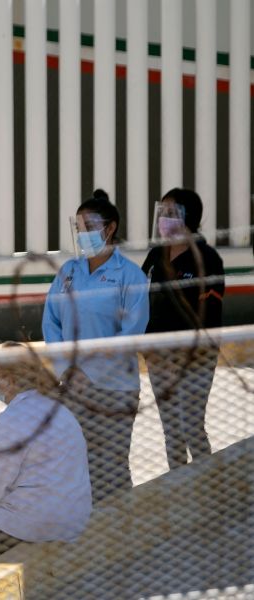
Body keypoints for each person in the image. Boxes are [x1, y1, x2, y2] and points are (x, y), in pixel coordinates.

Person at [0, 343, 92, 584]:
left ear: (9, 380)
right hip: (72, 517)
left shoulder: (11, 418)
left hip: (36, 520)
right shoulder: (60, 411)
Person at [42, 189, 149, 502]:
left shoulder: (130, 276)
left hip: (114, 390)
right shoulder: (69, 272)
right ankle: (85, 537)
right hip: (73, 387)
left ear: (110, 227)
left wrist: (90, 374)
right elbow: (51, 323)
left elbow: (131, 333)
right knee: (76, 466)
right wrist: (67, 370)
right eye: (79, 227)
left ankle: (118, 539)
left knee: (112, 470)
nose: (83, 233)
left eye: (89, 225)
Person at [142, 188, 224, 470]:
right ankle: (178, 487)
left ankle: (209, 486)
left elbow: (208, 317)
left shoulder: (207, 259)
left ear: (191, 217)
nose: (164, 218)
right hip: (157, 359)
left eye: (172, 212)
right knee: (171, 432)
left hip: (194, 360)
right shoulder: (156, 255)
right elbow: (141, 302)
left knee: (191, 427)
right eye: (162, 211)